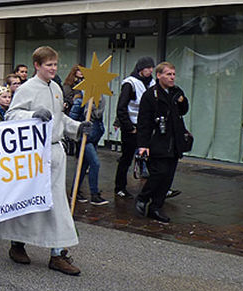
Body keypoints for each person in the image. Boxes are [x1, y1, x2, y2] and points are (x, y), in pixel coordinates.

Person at [0, 46, 90, 275]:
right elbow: (12, 115)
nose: (53, 69)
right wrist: (32, 115)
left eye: (55, 65)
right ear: (37, 65)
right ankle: (17, 243)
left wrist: (77, 127)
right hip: (33, 155)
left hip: (55, 152)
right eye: (48, 65)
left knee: (57, 203)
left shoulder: (57, 88)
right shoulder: (27, 88)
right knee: (29, 200)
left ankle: (58, 253)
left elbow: (60, 118)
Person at [135, 62, 190, 223]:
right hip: (158, 141)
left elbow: (183, 110)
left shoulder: (176, 92)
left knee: (168, 178)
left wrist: (181, 101)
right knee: (158, 174)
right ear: (159, 76)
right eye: (168, 74)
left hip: (174, 141)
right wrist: (143, 145)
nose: (172, 77)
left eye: (173, 74)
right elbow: (144, 122)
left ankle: (156, 207)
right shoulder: (151, 95)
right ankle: (143, 197)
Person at [62, 65, 109, 206]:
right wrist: (77, 129)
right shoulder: (81, 95)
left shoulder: (101, 97)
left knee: (83, 165)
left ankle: (76, 192)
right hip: (85, 136)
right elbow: (73, 116)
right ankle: (94, 194)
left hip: (95, 134)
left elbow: (100, 115)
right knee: (95, 163)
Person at [113, 57, 154, 199]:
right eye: (147, 68)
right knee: (127, 158)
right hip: (133, 127)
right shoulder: (130, 83)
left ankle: (157, 187)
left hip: (146, 127)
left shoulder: (152, 83)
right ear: (140, 69)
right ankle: (120, 187)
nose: (150, 70)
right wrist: (129, 127)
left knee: (151, 157)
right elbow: (121, 107)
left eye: (151, 68)